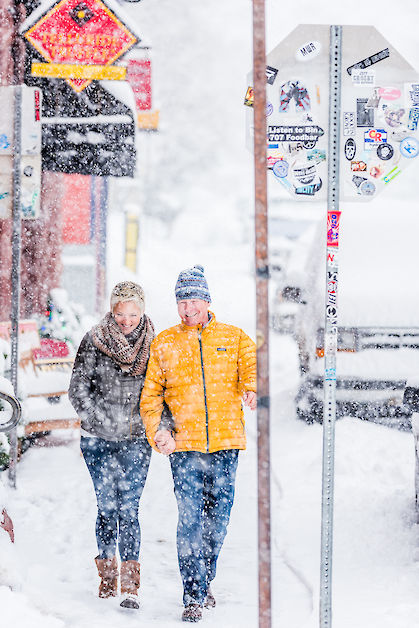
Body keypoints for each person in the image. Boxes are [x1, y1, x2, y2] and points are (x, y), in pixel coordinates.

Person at [140, 265, 257, 623]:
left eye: (193, 300)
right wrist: (158, 430)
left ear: (207, 300)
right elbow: (151, 397)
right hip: (185, 449)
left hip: (225, 445)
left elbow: (252, 366)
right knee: (190, 520)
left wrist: (252, 387)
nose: (187, 309)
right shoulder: (165, 343)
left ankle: (206, 579)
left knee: (218, 522)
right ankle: (193, 593)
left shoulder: (234, 337)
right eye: (181, 302)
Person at [69, 281, 168, 610]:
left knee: (128, 510)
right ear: (112, 311)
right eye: (120, 313)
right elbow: (78, 389)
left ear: (142, 311)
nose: (126, 320)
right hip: (97, 441)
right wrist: (99, 422)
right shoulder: (94, 340)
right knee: (106, 507)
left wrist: (154, 425)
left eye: (133, 313)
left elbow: (162, 391)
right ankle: (108, 574)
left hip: (136, 440)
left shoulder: (155, 344)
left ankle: (130, 585)